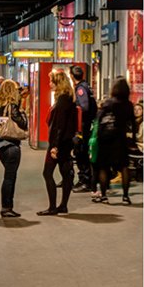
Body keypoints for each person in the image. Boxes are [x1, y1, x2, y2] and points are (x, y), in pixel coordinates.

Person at [39, 70, 78, 216]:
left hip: (58, 143)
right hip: (67, 142)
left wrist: (54, 146)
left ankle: (52, 207)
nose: (49, 84)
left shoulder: (62, 101)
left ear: (58, 83)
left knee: (47, 173)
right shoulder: (70, 99)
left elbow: (58, 126)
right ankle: (63, 205)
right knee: (65, 173)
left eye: (52, 81)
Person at [93, 77, 136, 204]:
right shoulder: (128, 105)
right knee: (124, 167)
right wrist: (131, 139)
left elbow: (98, 118)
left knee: (103, 167)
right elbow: (132, 123)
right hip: (120, 139)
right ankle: (126, 197)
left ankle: (104, 195)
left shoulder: (108, 103)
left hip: (106, 139)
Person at [0, 79, 26, 218]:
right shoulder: (13, 106)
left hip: (0, 144)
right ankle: (6, 207)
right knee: (10, 178)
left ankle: (7, 206)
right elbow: (22, 123)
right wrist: (23, 113)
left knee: (8, 177)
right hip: (11, 145)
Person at [70, 65, 97, 193]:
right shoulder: (87, 86)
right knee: (82, 151)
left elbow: (84, 106)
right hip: (87, 124)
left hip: (83, 125)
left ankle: (85, 180)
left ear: (71, 76)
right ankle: (85, 179)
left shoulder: (80, 88)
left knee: (81, 151)